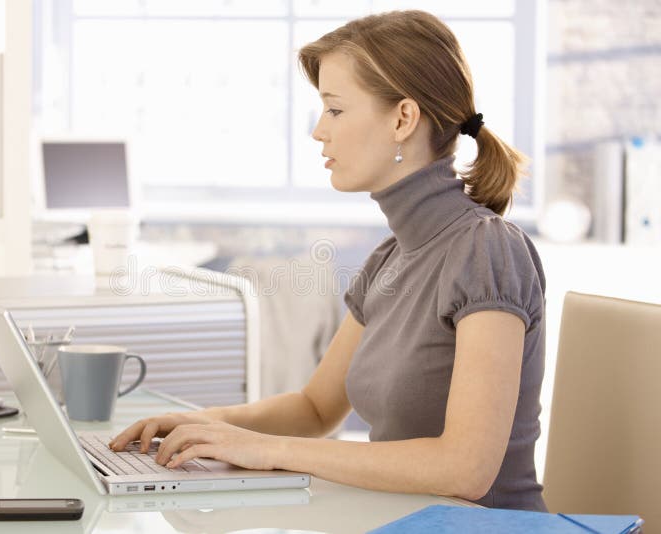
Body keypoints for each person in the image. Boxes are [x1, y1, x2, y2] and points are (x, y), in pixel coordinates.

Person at [110, 10, 547, 511]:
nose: (320, 131)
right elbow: (315, 408)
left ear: (403, 118)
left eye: (335, 110)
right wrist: (209, 424)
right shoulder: (391, 256)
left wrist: (266, 450)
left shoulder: (487, 249)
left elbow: (464, 469)